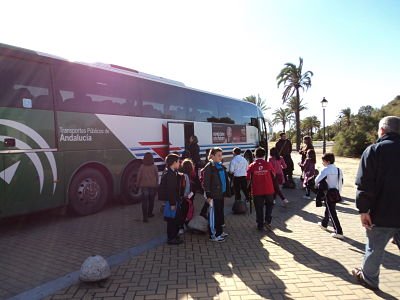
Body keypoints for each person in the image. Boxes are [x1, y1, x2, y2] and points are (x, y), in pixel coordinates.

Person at [352, 116, 400, 290]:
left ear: (382, 130)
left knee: (374, 249)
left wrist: (363, 210)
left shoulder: (374, 150)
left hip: (381, 214)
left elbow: (364, 183)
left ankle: (369, 280)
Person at [203, 147, 230, 242]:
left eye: (221, 155)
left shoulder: (219, 165)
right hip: (213, 196)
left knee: (219, 214)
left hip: (220, 194)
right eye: (218, 155)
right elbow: (206, 183)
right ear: (212, 156)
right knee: (214, 216)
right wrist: (208, 195)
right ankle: (213, 235)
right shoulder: (209, 167)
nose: (220, 157)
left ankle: (219, 231)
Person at [315, 153, 344, 239]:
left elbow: (317, 180)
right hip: (336, 193)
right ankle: (324, 224)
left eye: (323, 161)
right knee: (329, 209)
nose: (322, 163)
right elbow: (341, 182)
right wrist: (339, 192)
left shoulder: (325, 170)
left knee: (332, 212)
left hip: (328, 193)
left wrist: (316, 186)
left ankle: (339, 231)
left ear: (327, 161)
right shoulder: (339, 170)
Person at [247, 147, 276, 231]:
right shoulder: (268, 164)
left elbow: (248, 178)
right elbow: (274, 175)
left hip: (257, 190)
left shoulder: (251, 165)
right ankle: (267, 221)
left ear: (255, 155)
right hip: (269, 189)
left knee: (259, 208)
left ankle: (260, 224)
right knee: (269, 205)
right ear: (264, 155)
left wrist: (247, 189)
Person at [159, 153, 183, 245]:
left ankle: (174, 235)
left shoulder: (171, 172)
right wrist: (173, 203)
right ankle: (171, 238)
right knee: (172, 220)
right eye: (178, 162)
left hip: (173, 200)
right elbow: (171, 190)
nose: (179, 163)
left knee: (174, 219)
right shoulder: (170, 174)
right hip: (172, 201)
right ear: (174, 163)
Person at [136, 152, 158, 222]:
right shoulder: (154, 167)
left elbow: (139, 176)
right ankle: (150, 213)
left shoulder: (142, 167)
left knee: (144, 202)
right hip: (152, 186)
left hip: (144, 186)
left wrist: (137, 184)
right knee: (151, 201)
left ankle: (145, 217)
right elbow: (157, 176)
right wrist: (157, 184)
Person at [177, 159, 196, 234]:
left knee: (182, 212)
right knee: (186, 212)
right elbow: (191, 188)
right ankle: (184, 225)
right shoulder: (190, 175)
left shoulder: (181, 174)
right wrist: (189, 197)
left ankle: (182, 226)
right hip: (188, 198)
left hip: (182, 197)